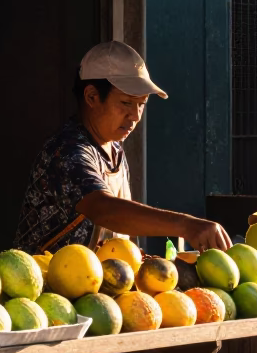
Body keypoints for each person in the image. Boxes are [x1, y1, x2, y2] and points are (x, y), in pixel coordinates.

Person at [14, 40, 232, 254]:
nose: (135, 116)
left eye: (142, 104)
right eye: (126, 103)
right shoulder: (67, 152)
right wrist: (186, 225)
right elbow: (104, 209)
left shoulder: (114, 147)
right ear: (92, 96)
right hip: (48, 285)